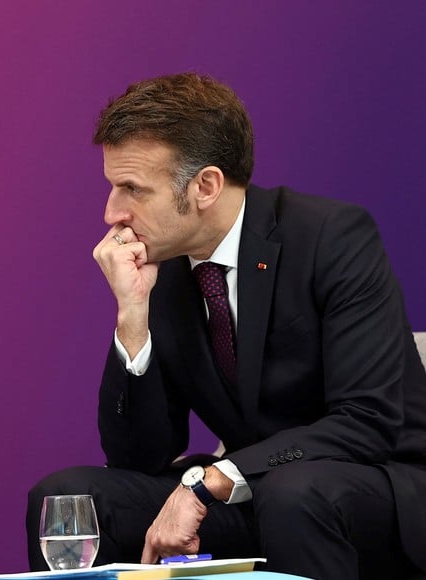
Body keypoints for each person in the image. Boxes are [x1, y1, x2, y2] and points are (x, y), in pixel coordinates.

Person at [26, 73, 426, 580]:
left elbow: (367, 421)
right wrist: (132, 315)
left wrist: (210, 480)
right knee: (70, 499)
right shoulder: (165, 268)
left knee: (292, 494)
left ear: (205, 186)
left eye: (132, 189)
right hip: (254, 492)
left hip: (374, 490)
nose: (112, 213)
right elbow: (140, 456)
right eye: (112, 186)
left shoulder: (331, 237)